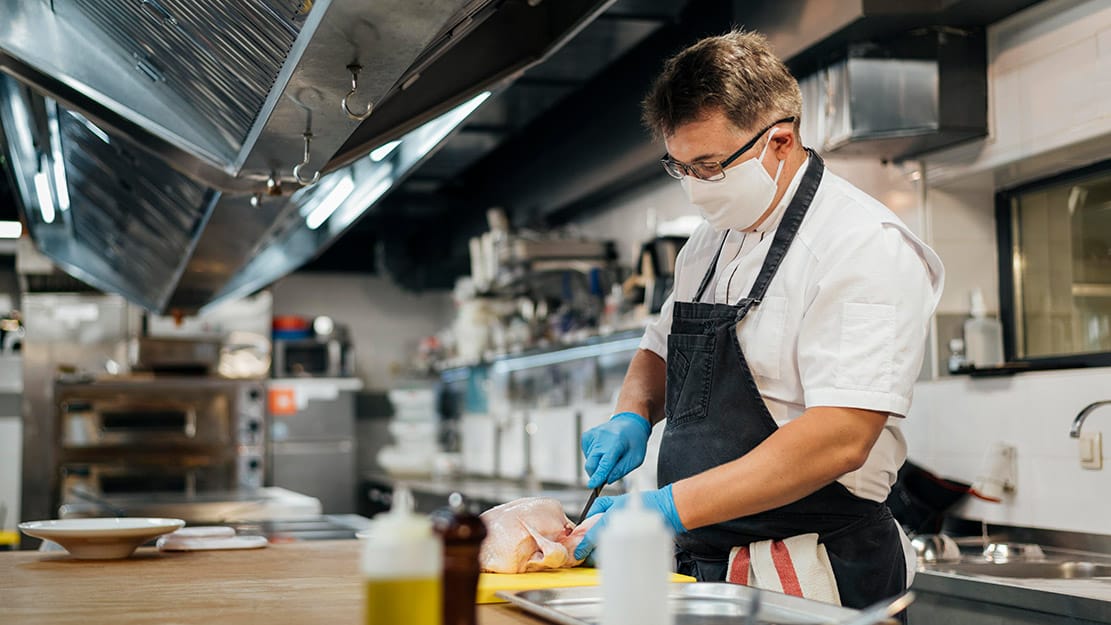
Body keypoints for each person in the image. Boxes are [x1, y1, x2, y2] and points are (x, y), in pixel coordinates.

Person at [573, 30, 943, 609]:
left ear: (780, 140)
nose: (695, 187)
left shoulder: (862, 245)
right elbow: (661, 349)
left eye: (711, 165)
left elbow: (840, 438)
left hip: (811, 570)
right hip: (707, 565)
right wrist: (632, 414)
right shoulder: (708, 242)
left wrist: (665, 507)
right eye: (680, 166)